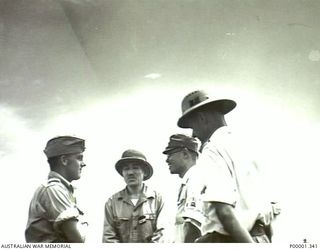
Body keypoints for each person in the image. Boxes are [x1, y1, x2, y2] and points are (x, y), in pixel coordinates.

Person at [177, 90, 272, 243]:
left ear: (202, 118)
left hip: (229, 240)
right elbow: (267, 209)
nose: (193, 135)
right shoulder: (248, 144)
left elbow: (224, 212)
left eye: (192, 127)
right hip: (260, 237)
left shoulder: (212, 149)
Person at [25, 136, 88, 243]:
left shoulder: (61, 190)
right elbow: (77, 241)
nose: (83, 164)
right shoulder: (53, 190)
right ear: (64, 160)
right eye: (79, 158)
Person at [102, 149, 164, 243]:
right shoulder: (112, 202)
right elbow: (108, 237)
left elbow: (161, 235)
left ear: (145, 172)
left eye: (135, 168)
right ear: (122, 173)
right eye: (126, 169)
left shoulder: (157, 200)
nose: (130, 172)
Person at [163, 134, 204, 243]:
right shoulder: (189, 180)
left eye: (170, 154)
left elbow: (193, 225)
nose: (167, 160)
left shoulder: (195, 179)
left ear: (185, 154)